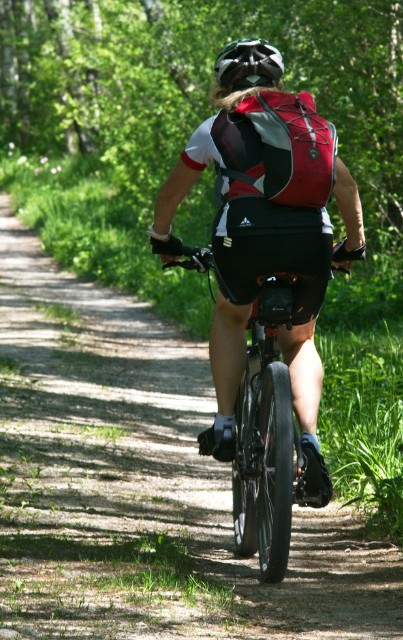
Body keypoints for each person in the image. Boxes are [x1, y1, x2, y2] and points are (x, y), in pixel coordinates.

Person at [149, 39, 366, 508]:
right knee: (301, 340)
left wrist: (162, 240)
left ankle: (226, 424)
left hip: (243, 241)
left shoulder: (215, 127)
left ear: (222, 84)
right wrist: (352, 246)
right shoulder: (310, 125)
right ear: (277, 81)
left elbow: (169, 198)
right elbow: (345, 186)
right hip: (311, 240)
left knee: (230, 314)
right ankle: (309, 441)